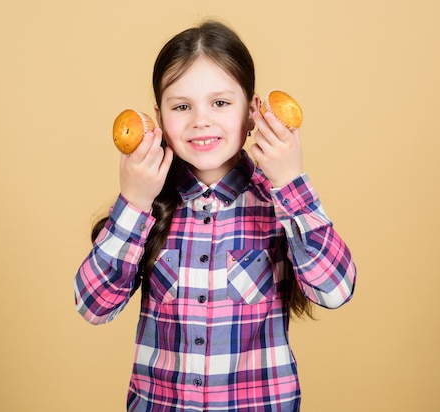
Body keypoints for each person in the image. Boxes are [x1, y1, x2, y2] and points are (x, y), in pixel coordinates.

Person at [74, 19, 357, 412]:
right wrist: (133, 201)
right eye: (182, 106)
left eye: (220, 103)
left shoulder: (278, 202)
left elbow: (335, 290)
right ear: (158, 117)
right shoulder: (147, 206)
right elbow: (93, 305)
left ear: (253, 111)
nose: (200, 120)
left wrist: (291, 181)